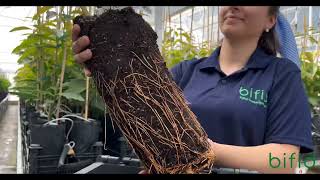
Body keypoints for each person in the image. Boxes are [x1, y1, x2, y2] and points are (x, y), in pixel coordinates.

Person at [72, 6, 313, 174]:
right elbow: (144, 121)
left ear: (271, 20)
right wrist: (109, 67)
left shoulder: (282, 76)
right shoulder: (187, 71)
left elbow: (285, 161)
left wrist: (204, 150)